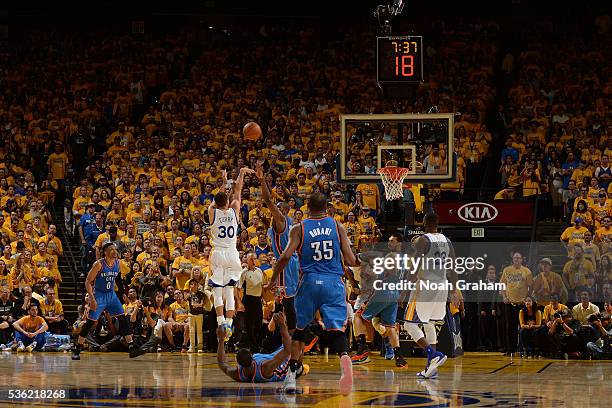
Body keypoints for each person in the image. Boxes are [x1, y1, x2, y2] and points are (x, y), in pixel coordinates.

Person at [270, 192, 358, 395]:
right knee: (336, 331)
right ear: (327, 207)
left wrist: (274, 278)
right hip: (334, 284)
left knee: (299, 331)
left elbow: (284, 257)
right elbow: (352, 261)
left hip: (309, 282)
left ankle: (291, 377)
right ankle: (345, 358)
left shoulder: (299, 228)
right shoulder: (338, 226)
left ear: (307, 207)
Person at [403, 212, 459, 379]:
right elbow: (453, 266)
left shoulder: (424, 239)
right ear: (438, 223)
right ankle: (431, 369)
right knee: (429, 324)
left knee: (409, 325)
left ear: (423, 223)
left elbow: (415, 266)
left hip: (426, 286)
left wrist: (407, 285)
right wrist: (454, 290)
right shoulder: (446, 240)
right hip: (442, 286)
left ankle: (432, 354)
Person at [208, 167, 253, 340]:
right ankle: (229, 324)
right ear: (227, 201)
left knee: (218, 292)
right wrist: (241, 173)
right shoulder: (234, 210)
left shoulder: (212, 212)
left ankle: (221, 324)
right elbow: (239, 190)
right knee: (230, 290)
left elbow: (215, 201)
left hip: (218, 253)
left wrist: (223, 181)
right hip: (232, 253)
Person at [72, 242, 136, 360]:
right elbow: (87, 282)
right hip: (99, 295)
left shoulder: (117, 263)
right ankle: (77, 348)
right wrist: (91, 298)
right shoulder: (99, 264)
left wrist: (123, 294)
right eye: (111, 249)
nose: (115, 251)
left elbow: (117, 279)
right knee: (90, 322)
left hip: (111, 294)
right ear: (105, 252)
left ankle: (131, 347)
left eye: (115, 249)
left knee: (123, 318)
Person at [256, 164, 299, 334]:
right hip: (292, 261)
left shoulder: (281, 219)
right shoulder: (286, 224)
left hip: (285, 263)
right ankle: (279, 336)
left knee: (287, 300)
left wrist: (261, 180)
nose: (274, 210)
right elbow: (270, 227)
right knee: (283, 300)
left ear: (283, 211)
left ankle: (299, 335)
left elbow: (267, 200)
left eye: (278, 208)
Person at [355, 233, 408, 368]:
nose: (389, 243)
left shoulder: (391, 256)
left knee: (358, 317)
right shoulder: (406, 259)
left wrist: (374, 289)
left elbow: (385, 274)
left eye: (392, 241)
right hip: (394, 293)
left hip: (383, 292)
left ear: (400, 243)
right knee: (390, 327)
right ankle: (399, 357)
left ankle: (362, 349)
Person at [217, 311, 301, 383]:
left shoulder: (237, 374)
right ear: (251, 355)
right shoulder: (265, 368)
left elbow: (222, 363)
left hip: (273, 355)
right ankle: (299, 369)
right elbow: (287, 351)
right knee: (297, 339)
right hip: (286, 364)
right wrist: (282, 324)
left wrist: (221, 339)